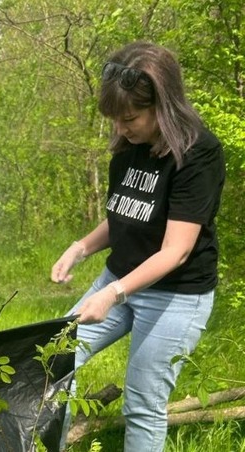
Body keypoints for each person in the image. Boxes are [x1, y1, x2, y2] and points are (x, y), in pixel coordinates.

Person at [51, 42, 224, 451]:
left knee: (143, 403)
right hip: (120, 278)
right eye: (115, 120)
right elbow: (124, 215)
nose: (122, 128)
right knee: (51, 362)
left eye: (130, 118)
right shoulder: (127, 149)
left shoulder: (198, 154)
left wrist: (113, 294)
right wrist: (80, 248)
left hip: (176, 296)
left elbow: (176, 250)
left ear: (164, 105)